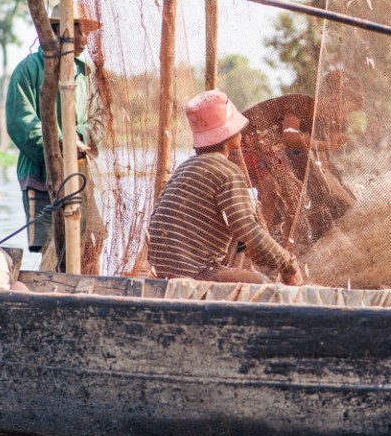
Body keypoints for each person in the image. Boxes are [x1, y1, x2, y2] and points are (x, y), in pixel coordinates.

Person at [147, 90, 303, 286]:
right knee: (260, 283)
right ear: (228, 136)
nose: (242, 133)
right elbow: (247, 231)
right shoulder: (227, 172)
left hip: (163, 271)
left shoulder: (185, 167)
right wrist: (288, 264)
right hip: (194, 272)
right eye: (237, 129)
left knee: (236, 253)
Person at [5, 2, 105, 267]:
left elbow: (99, 119)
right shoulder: (29, 69)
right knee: (53, 247)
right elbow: (20, 122)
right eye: (79, 30)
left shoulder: (85, 73)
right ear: (58, 31)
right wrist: (61, 143)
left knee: (92, 240)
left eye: (86, 32)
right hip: (41, 174)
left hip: (79, 172)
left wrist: (78, 138)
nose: (84, 38)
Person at [240, 71, 364, 247]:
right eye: (347, 111)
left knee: (295, 193)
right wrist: (324, 145)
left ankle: (286, 250)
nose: (344, 118)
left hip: (265, 153)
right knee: (270, 189)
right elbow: (289, 136)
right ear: (335, 100)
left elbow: (325, 172)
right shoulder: (300, 103)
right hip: (241, 144)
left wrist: (355, 208)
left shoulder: (319, 124)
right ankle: (254, 247)